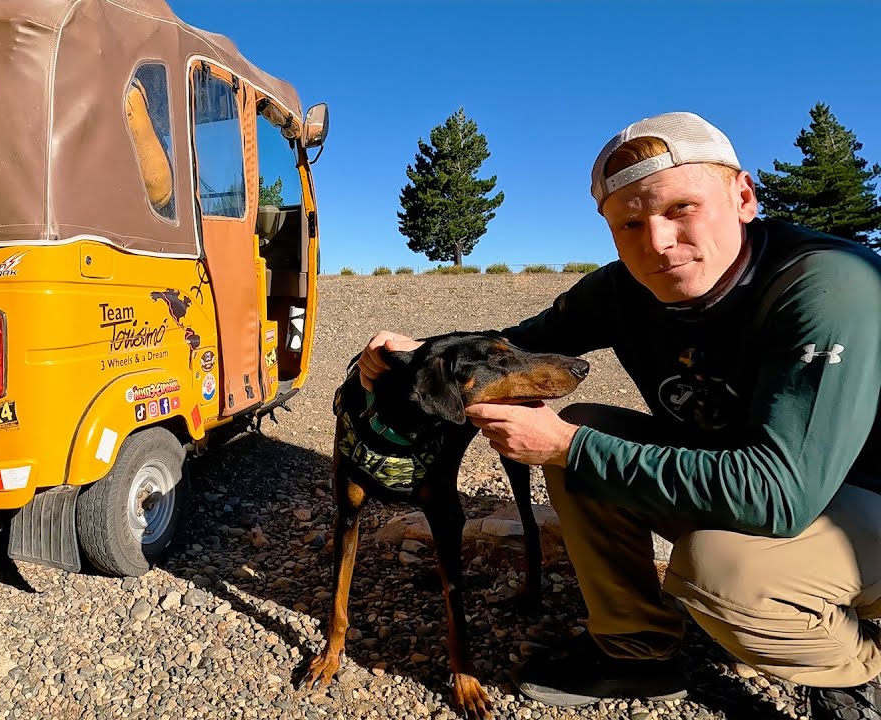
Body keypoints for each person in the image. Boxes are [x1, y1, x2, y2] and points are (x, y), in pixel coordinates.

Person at [358, 112, 881, 719]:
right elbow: (511, 348)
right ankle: (637, 654)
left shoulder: (827, 285)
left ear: (742, 196)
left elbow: (779, 495)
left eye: (681, 208)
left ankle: (854, 671)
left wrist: (565, 447)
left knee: (724, 571)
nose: (656, 241)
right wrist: (415, 355)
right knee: (588, 426)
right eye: (629, 222)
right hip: (764, 478)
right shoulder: (623, 289)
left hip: (855, 495)